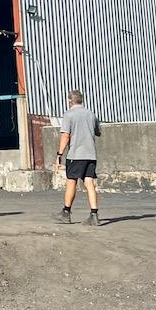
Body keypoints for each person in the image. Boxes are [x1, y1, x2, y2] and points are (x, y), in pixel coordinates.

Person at [54, 89, 101, 225]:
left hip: (76, 154)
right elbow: (98, 132)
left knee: (71, 181)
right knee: (89, 182)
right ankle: (94, 215)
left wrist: (59, 154)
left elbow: (65, 135)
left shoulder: (69, 115)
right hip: (90, 155)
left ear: (70, 101)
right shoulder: (91, 114)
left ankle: (66, 213)